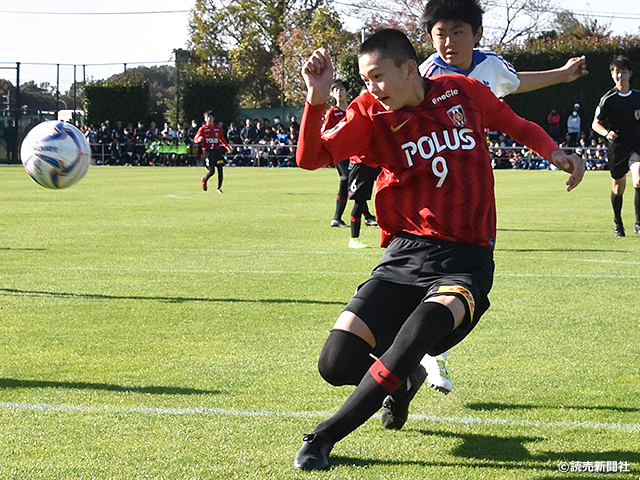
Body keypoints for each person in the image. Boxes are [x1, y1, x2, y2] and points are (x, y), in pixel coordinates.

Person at [293, 29, 584, 471]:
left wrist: (553, 151)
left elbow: (517, 125)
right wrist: (315, 101)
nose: (372, 88)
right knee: (335, 363)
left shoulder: (464, 93)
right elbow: (311, 157)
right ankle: (403, 380)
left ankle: (323, 437)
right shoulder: (370, 115)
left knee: (415, 336)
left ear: (410, 69)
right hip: (404, 255)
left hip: (465, 260)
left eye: (378, 77)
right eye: (365, 79)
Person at [416, 0, 588, 396]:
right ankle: (420, 354)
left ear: (476, 34)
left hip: (472, 190)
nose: (448, 42)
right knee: (434, 277)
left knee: (466, 284)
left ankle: (422, 352)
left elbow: (515, 83)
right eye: (440, 33)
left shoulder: (490, 66)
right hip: (428, 188)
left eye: (458, 32)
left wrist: (561, 76)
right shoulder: (422, 74)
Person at [591, 55, 640, 237]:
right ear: (612, 75)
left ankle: (638, 223)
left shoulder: (637, 97)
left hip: (637, 144)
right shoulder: (608, 99)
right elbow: (595, 123)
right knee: (618, 188)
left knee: (639, 179)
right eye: (617, 72)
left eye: (624, 72)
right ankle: (617, 222)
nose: (620, 76)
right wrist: (606, 133)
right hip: (618, 147)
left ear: (630, 74)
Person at [322, 79, 352, 228]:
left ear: (347, 91)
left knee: (357, 182)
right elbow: (325, 132)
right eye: (336, 90)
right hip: (340, 153)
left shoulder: (353, 110)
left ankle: (366, 215)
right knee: (345, 178)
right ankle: (336, 218)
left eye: (341, 89)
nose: (339, 92)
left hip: (354, 152)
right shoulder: (332, 112)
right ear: (332, 94)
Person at [194, 111, 232, 193]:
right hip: (208, 152)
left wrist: (227, 147)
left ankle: (219, 188)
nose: (209, 119)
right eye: (208, 117)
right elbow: (195, 139)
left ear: (214, 119)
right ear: (205, 119)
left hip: (217, 151)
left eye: (211, 117)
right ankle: (204, 179)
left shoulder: (218, 129)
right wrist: (198, 140)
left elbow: (222, 139)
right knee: (212, 171)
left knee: (220, 169)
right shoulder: (202, 129)